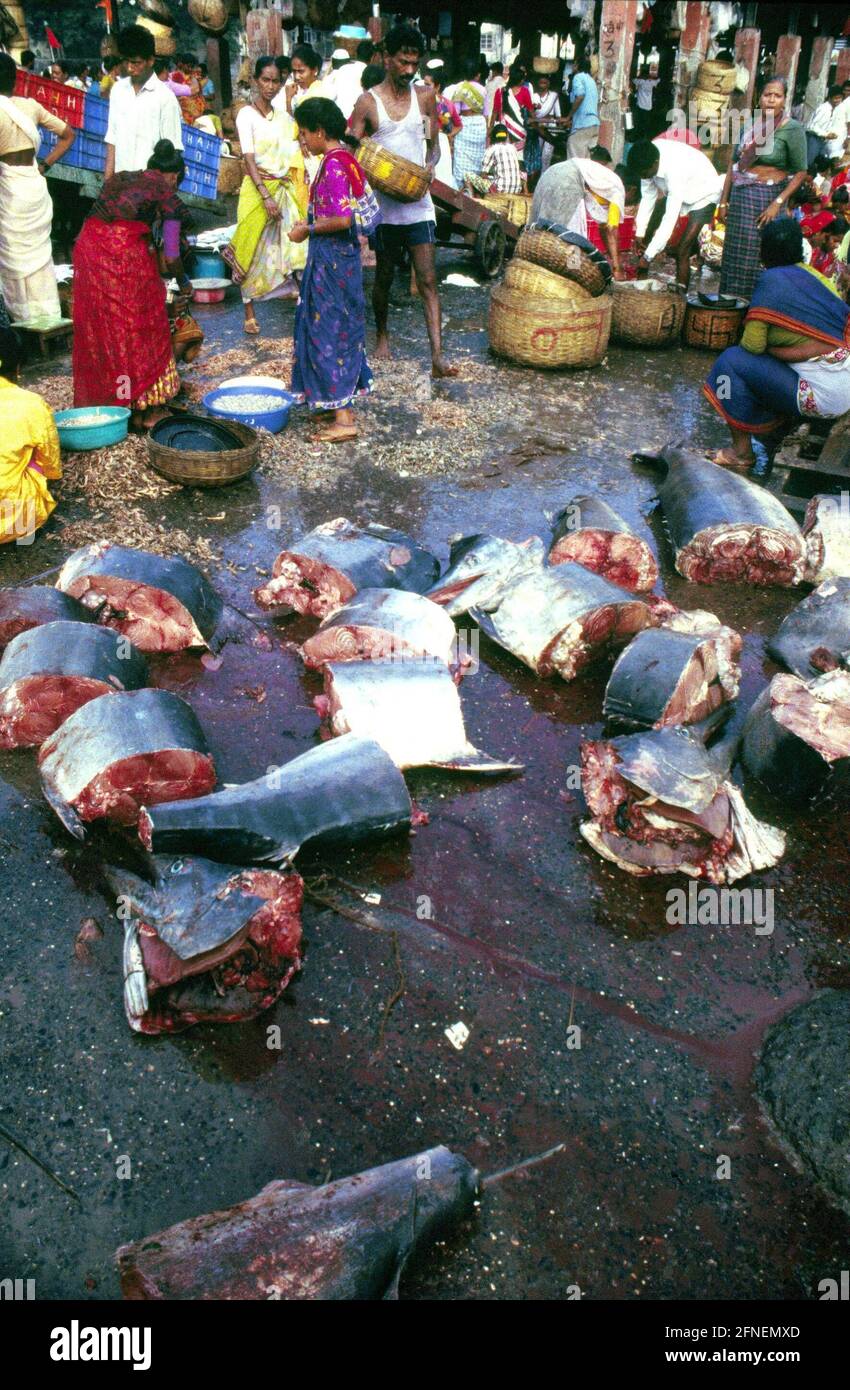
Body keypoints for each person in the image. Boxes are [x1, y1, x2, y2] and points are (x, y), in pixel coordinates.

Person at [349, 22, 456, 378]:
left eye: (414, 63)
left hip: (418, 204)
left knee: (427, 279)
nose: (409, 70)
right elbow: (350, 145)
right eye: (402, 62)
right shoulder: (368, 102)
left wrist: (429, 167)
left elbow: (434, 146)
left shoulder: (425, 96)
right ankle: (381, 336)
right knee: (383, 277)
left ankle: (438, 358)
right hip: (385, 209)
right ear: (386, 58)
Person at [704, 218, 850, 473]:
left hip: (823, 396)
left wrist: (775, 348)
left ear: (765, 250)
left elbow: (752, 345)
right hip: (843, 385)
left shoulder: (771, 281)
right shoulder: (816, 276)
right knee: (767, 364)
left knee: (727, 366)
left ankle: (740, 451)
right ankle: (772, 427)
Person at [72, 139, 193, 430]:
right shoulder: (168, 195)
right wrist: (184, 282)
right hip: (123, 254)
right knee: (143, 326)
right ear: (174, 177)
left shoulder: (124, 179)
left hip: (89, 249)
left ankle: (120, 403)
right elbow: (173, 254)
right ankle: (146, 408)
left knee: (110, 327)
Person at [287, 97, 372, 444]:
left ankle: (344, 417)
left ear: (320, 132)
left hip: (332, 261)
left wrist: (306, 229)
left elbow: (341, 219)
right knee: (336, 326)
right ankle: (333, 399)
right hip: (343, 260)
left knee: (329, 330)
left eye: (305, 133)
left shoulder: (334, 165)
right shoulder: (344, 160)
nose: (302, 140)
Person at [222, 56, 308, 336]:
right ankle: (249, 313)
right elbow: (248, 158)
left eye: (275, 81)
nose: (270, 86)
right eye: (266, 80)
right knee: (252, 248)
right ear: (256, 81)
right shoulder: (245, 114)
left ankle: (303, 308)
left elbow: (297, 149)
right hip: (257, 190)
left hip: (283, 189)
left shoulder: (284, 117)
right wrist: (264, 195)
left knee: (294, 248)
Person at [716, 76, 807, 303]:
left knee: (759, 254)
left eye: (777, 96)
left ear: (785, 100)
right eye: (768, 95)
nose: (771, 100)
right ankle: (730, 306)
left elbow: (800, 172)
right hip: (741, 196)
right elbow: (734, 163)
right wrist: (723, 201)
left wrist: (778, 203)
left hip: (768, 198)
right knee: (735, 255)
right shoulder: (750, 124)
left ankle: (756, 308)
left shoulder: (792, 129)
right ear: (760, 98)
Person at [0, 52, 76, 325]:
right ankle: (47, 315)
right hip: (34, 184)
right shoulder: (30, 106)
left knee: (13, 257)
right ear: (16, 81)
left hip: (9, 188)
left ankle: (21, 319)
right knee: (41, 257)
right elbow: (68, 135)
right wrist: (45, 165)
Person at [627, 137, 722, 291]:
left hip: (704, 193)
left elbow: (670, 218)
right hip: (680, 191)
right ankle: (641, 284)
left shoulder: (675, 169)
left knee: (683, 249)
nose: (644, 178)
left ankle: (680, 295)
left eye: (645, 174)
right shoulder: (646, 159)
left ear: (655, 164)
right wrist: (640, 232)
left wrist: (648, 257)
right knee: (646, 233)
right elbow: (648, 197)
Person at [0, 326, 61, 547]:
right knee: (31, 457)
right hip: (13, 522)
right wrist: (51, 476)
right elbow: (50, 458)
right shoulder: (30, 403)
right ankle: (24, 537)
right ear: (17, 366)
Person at [104, 25, 183, 180]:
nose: (130, 68)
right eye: (126, 61)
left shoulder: (165, 97)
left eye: (136, 63)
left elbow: (173, 150)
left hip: (150, 186)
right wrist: (107, 181)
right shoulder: (118, 90)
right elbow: (112, 137)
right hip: (120, 182)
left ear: (151, 61)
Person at [530, 152, 626, 279]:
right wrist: (617, 268)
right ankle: (569, 278)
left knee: (542, 228)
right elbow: (611, 229)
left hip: (552, 172)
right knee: (570, 236)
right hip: (568, 179)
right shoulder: (618, 190)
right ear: (632, 191)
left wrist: (609, 257)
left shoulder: (607, 180)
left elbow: (604, 227)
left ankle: (534, 269)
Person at [450, 63, 488, 186]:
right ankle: (475, 184)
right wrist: (486, 132)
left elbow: (455, 112)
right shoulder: (483, 89)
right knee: (478, 158)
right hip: (479, 124)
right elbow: (486, 113)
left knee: (461, 157)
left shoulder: (461, 87)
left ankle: (462, 187)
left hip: (465, 124)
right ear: (478, 75)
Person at [524, 72, 565, 183]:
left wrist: (560, 123)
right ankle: (534, 182)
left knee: (546, 157)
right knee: (537, 156)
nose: (543, 83)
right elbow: (531, 113)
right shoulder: (534, 96)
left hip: (550, 129)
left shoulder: (553, 96)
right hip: (537, 129)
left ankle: (543, 182)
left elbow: (558, 115)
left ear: (549, 83)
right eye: (541, 81)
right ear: (538, 83)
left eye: (545, 81)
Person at [423, 67, 460, 186]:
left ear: (437, 86)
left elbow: (459, 125)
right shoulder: (448, 104)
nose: (424, 88)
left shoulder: (425, 103)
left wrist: (442, 135)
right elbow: (458, 126)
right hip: (440, 141)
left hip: (428, 141)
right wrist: (448, 135)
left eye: (427, 84)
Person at [466, 123, 524, 196]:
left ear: (493, 136)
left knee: (467, 175)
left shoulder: (492, 149)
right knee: (493, 178)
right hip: (516, 189)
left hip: (499, 190)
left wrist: (488, 178)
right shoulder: (512, 148)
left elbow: (483, 175)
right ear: (506, 136)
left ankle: (471, 198)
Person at [491, 62, 533, 153]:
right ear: (520, 80)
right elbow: (530, 110)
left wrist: (490, 128)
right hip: (520, 130)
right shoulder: (525, 91)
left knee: (503, 153)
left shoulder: (500, 91)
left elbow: (495, 111)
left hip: (503, 129)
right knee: (518, 157)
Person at [567, 52, 599, 159]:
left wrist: (569, 116)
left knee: (575, 162)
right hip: (594, 125)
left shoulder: (578, 77)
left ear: (577, 66)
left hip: (582, 125)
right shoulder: (591, 80)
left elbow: (580, 96)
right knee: (587, 162)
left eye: (574, 64)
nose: (573, 67)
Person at [806, 85, 844, 168]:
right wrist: (826, 134)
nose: (838, 100)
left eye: (840, 98)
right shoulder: (824, 109)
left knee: (821, 163)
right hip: (814, 138)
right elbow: (813, 127)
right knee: (809, 163)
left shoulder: (833, 109)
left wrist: (829, 134)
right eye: (836, 98)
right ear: (830, 97)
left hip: (822, 140)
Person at [326, 47, 366, 122]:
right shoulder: (357, 71)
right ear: (348, 61)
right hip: (357, 116)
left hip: (341, 119)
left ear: (333, 61)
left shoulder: (331, 78)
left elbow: (328, 99)